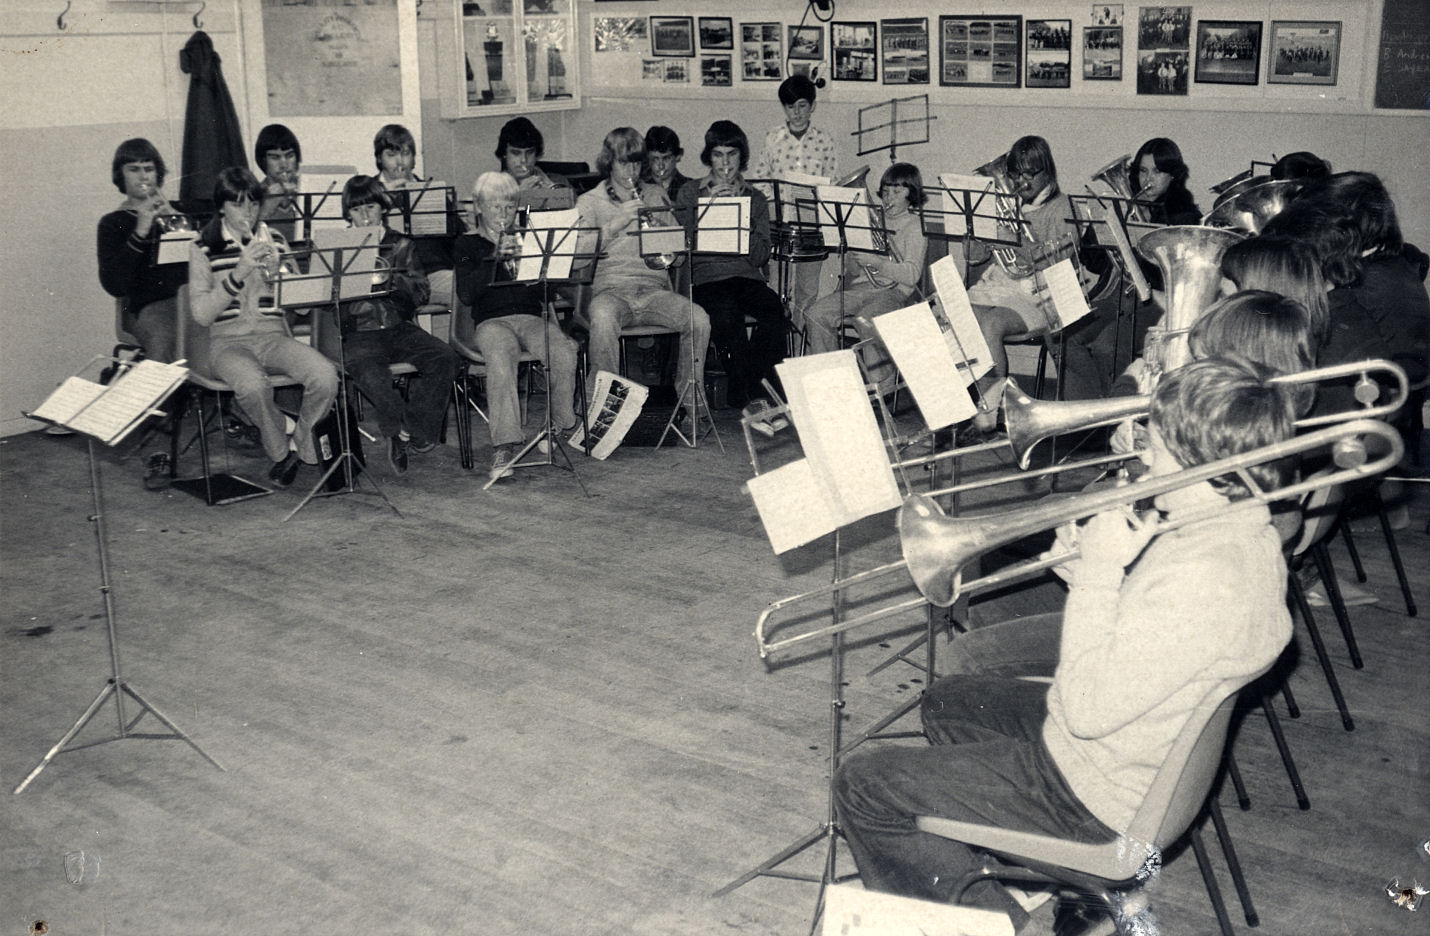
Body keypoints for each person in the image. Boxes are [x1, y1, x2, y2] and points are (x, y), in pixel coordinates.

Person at [835, 355, 1296, 935]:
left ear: (1200, 463)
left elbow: (1083, 709)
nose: (1145, 456)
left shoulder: (1205, 576)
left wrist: (1099, 574)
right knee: (948, 702)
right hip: (1126, 753)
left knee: (863, 784)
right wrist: (1086, 574)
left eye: (1157, 445)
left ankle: (991, 921)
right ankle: (985, 866)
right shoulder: (1238, 528)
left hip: (1092, 798)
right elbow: (1152, 642)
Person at [188, 167, 338, 488]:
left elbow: (304, 306)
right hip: (227, 343)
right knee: (254, 386)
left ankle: (302, 447)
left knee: (325, 376)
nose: (248, 212)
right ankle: (280, 451)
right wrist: (238, 274)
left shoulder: (276, 239)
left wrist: (281, 275)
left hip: (273, 336)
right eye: (238, 204)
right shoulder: (202, 247)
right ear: (221, 207)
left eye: (254, 203)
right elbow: (201, 315)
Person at [328, 175, 459, 475]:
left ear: (383, 208)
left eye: (371, 207)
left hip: (398, 326)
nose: (364, 216)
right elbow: (325, 300)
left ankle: (414, 428)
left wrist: (394, 280)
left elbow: (422, 292)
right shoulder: (336, 248)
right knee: (371, 374)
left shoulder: (401, 244)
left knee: (446, 357)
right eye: (356, 209)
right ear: (348, 213)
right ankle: (396, 432)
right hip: (359, 330)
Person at [454, 171, 580, 480]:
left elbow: (544, 295)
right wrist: (495, 257)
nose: (503, 214)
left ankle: (555, 425)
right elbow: (467, 294)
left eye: (510, 207)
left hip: (531, 317)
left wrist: (543, 270)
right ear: (479, 207)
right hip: (491, 322)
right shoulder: (466, 244)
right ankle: (505, 445)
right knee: (500, 359)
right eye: (495, 207)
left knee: (564, 351)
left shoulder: (528, 240)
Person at [574, 127, 710, 409]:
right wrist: (615, 224)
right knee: (602, 319)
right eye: (624, 163)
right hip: (611, 291)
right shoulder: (590, 201)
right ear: (609, 162)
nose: (632, 171)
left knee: (699, 320)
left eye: (637, 163)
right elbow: (576, 258)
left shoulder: (655, 194)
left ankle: (690, 404)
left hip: (653, 291)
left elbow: (679, 259)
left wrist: (667, 241)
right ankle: (603, 408)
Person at [966, 136, 1081, 428]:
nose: (1021, 181)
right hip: (1001, 287)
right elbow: (973, 258)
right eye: (1015, 173)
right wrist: (976, 232)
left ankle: (991, 411)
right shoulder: (1007, 205)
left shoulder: (1062, 207)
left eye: (1030, 173)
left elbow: (1058, 262)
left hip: (1041, 295)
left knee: (991, 325)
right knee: (955, 316)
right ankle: (969, 402)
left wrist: (1013, 241)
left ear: (1047, 171)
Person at [673, 121, 785, 409]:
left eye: (732, 154)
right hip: (706, 277)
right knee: (726, 315)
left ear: (741, 156)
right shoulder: (690, 192)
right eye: (718, 155)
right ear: (709, 157)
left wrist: (742, 219)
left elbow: (760, 257)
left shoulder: (755, 198)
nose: (725, 163)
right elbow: (681, 245)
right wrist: (709, 210)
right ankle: (752, 392)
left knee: (774, 310)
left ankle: (747, 387)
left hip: (746, 276)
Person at [802, 163, 928, 397]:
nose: (889, 197)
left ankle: (882, 385)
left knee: (866, 320)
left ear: (912, 194)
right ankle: (832, 383)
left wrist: (877, 262)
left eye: (897, 191)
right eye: (886, 191)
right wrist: (852, 255)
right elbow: (852, 271)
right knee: (815, 313)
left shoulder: (915, 226)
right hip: (860, 290)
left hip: (895, 293)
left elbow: (912, 274)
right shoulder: (868, 220)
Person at [750, 75, 837, 328]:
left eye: (802, 105)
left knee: (807, 290)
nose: (796, 113)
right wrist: (774, 204)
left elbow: (833, 181)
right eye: (790, 107)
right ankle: (779, 344)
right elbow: (760, 179)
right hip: (780, 224)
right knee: (778, 288)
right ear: (784, 108)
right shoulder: (772, 138)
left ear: (812, 106)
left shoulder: (824, 141)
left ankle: (800, 344)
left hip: (812, 226)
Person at [97, 138, 187, 364]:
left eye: (149, 169)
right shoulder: (112, 222)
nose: (143, 176)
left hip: (191, 300)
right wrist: (140, 231)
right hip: (145, 306)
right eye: (134, 169)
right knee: (164, 339)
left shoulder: (178, 211)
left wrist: (176, 219)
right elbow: (114, 285)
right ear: (120, 175)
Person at [372, 123, 456, 308]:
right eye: (391, 155)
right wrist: (384, 198)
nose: (400, 162)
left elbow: (456, 239)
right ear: (379, 158)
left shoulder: (431, 191)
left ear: (413, 158)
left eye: (405, 153)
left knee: (466, 287)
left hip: (432, 273)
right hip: (390, 275)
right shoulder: (369, 193)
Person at [496, 116, 574, 210]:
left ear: (536, 154)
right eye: (516, 153)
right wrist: (519, 196)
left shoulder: (559, 181)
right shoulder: (492, 187)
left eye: (529, 152)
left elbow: (576, 214)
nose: (524, 160)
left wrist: (551, 190)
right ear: (504, 154)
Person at [1128, 138, 1200, 225]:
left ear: (1173, 174)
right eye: (1143, 170)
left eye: (1157, 171)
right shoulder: (1133, 203)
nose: (1148, 178)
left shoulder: (1184, 214)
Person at [254, 123, 302, 243]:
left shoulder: (307, 189)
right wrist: (268, 206)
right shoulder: (253, 194)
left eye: (289, 156)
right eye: (275, 157)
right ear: (263, 160)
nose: (284, 164)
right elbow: (245, 235)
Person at [644, 126, 692, 200]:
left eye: (666, 158)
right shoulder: (638, 186)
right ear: (647, 158)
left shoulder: (691, 187)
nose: (661, 166)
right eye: (655, 159)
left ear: (678, 156)